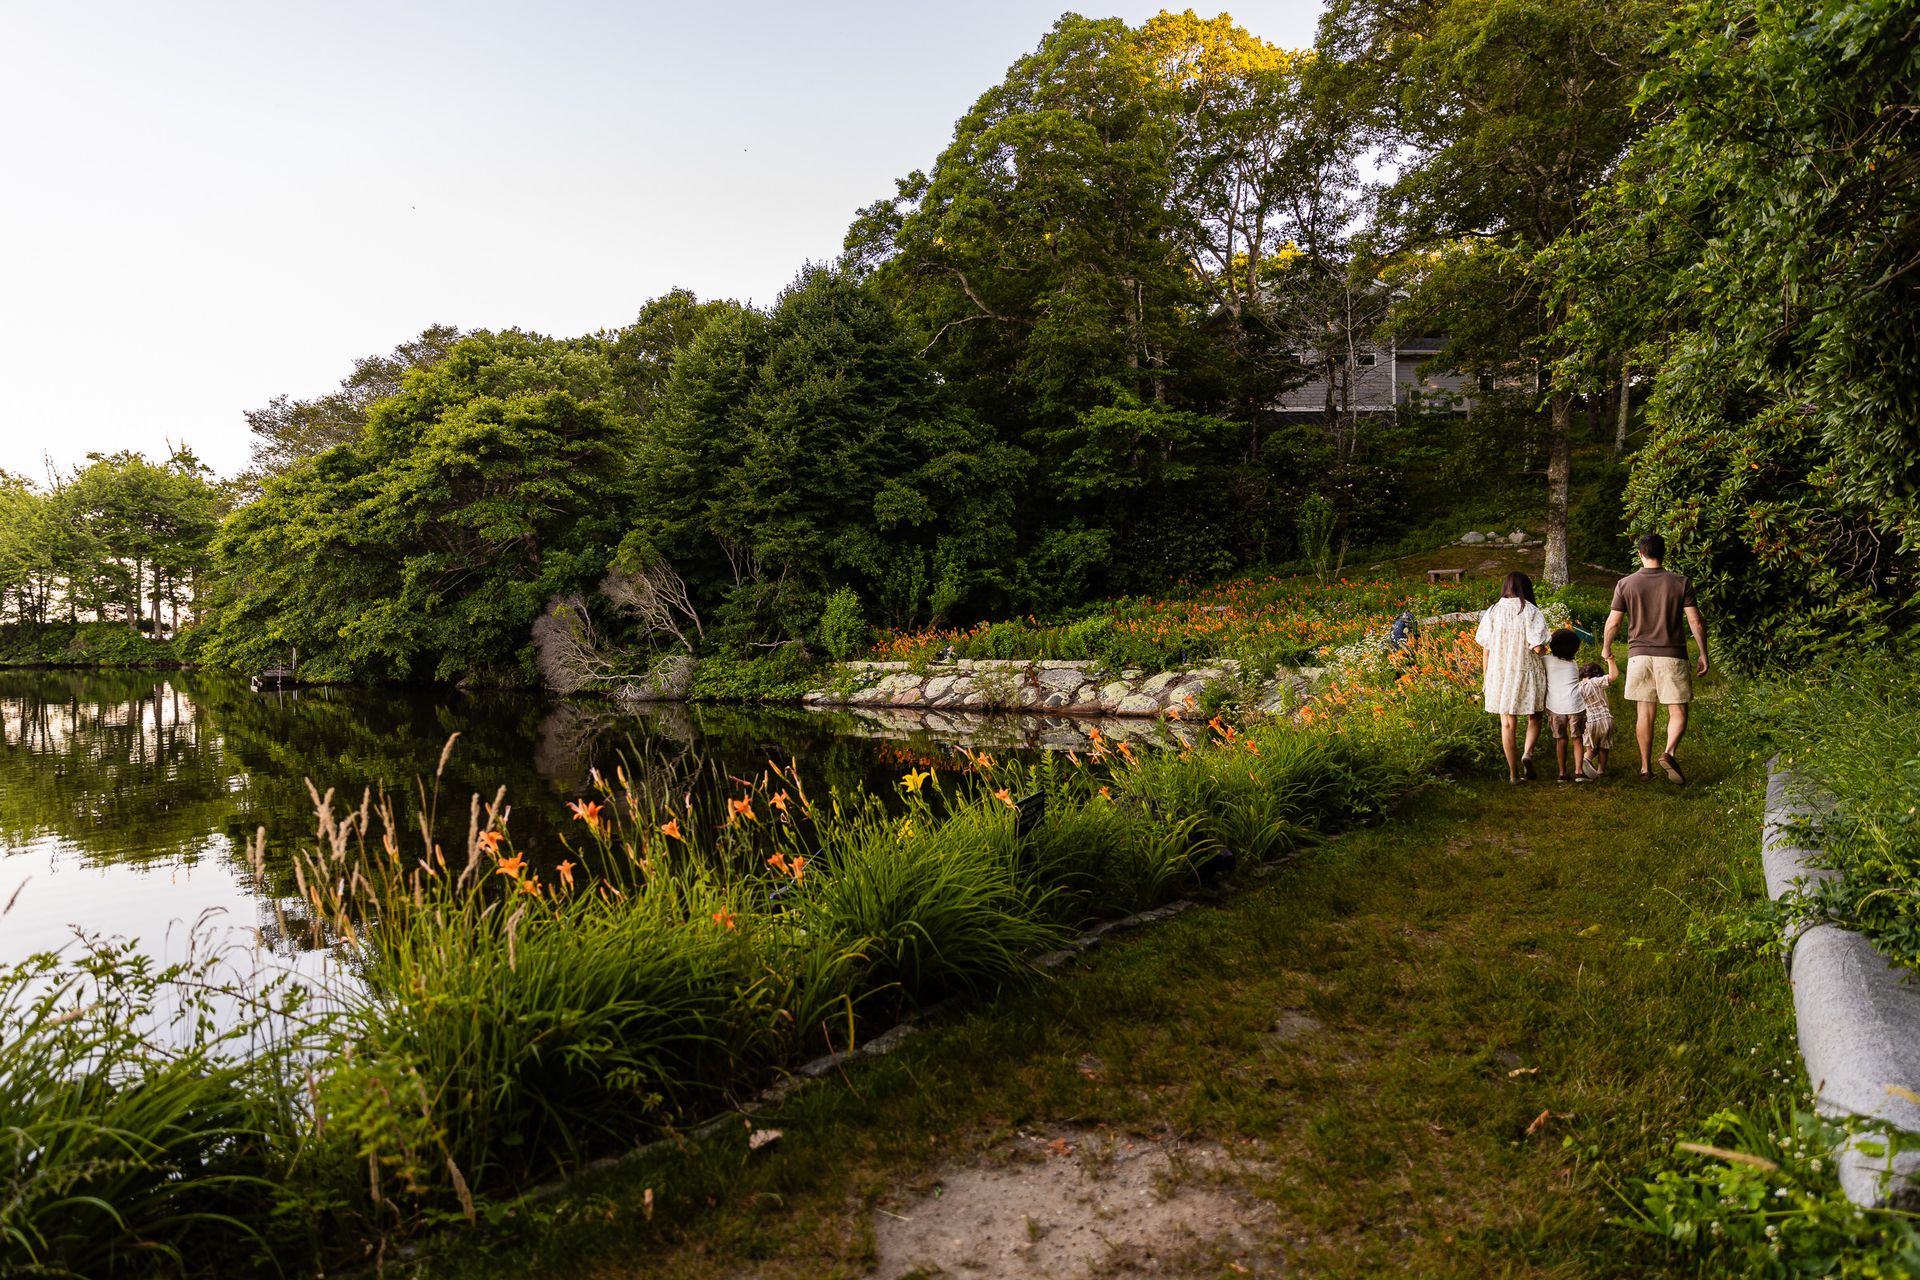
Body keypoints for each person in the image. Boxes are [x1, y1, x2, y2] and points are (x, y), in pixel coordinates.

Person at [1602, 533, 1710, 784]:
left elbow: (1613, 622)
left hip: (1639, 656)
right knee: (1678, 709)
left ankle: (1644, 768)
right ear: (1664, 554)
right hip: (1672, 655)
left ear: (1640, 554)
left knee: (1645, 712)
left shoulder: (1625, 584)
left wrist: (1606, 647)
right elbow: (1695, 620)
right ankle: (1669, 752)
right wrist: (1703, 652)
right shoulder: (1680, 582)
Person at [1475, 571, 1551, 784]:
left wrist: (1486, 678)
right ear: (1526, 588)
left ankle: (1513, 774)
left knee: (1507, 724)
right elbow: (1537, 648)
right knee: (1535, 716)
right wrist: (1546, 649)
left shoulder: (1492, 611)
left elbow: (1486, 649)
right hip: (1526, 672)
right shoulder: (1531, 611)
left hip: (1499, 675)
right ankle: (1528, 752)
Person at [1543, 629, 1586, 782]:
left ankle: (1562, 773)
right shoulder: (1573, 664)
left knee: (1561, 739)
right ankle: (1579, 772)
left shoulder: (1545, 661)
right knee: (1577, 738)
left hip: (1555, 706)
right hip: (1575, 704)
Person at [1575, 661, 1616, 778]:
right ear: (1597, 674)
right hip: (1606, 719)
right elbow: (1613, 676)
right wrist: (1611, 660)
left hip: (1590, 721)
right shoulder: (1596, 681)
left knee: (1591, 747)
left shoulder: (1578, 687)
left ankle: (1587, 758)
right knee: (1604, 747)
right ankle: (1601, 770)